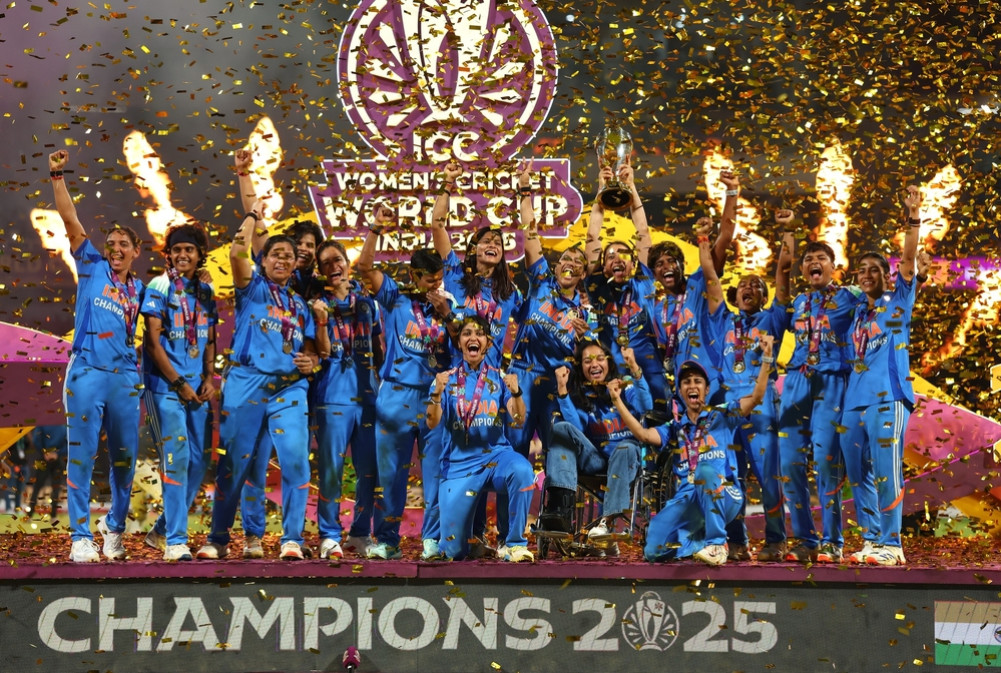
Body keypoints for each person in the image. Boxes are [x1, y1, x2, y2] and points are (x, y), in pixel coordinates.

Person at [196, 199, 318, 561]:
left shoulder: (300, 305)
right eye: (275, 254)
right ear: (263, 260)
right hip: (246, 381)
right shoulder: (251, 288)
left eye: (289, 256)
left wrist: (311, 361)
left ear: (295, 264)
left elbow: (313, 350)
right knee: (236, 464)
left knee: (296, 460)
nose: (282, 260)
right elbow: (237, 251)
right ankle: (219, 538)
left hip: (288, 387)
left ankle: (291, 539)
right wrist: (252, 214)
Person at [49, 149, 144, 563]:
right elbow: (70, 220)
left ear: (137, 250)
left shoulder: (141, 290)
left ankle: (114, 529)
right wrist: (57, 176)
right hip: (87, 370)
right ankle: (80, 537)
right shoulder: (91, 264)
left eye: (124, 244)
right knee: (82, 456)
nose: (115, 249)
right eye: (112, 244)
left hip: (125, 377)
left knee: (125, 461)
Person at [612, 337, 776, 566]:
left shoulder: (722, 414)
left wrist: (767, 358)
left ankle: (717, 544)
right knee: (653, 549)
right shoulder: (675, 427)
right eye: (686, 382)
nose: (692, 385)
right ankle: (697, 543)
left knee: (705, 471)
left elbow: (757, 397)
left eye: (698, 381)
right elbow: (643, 434)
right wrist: (617, 401)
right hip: (689, 499)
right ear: (680, 390)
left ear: (706, 389)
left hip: (725, 494)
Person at [431, 161, 524, 554]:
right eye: (486, 239)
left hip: (494, 386)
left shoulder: (509, 294)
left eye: (499, 243)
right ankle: (457, 536)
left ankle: (505, 537)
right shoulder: (455, 276)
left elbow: (530, 325)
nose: (494, 244)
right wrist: (447, 185)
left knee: (502, 459)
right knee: (455, 458)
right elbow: (438, 225)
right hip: (457, 384)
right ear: (472, 249)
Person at [356, 205, 453, 561]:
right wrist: (375, 229)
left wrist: (447, 314)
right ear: (414, 275)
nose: (435, 285)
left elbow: (464, 345)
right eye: (429, 279)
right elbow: (364, 268)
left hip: (434, 399)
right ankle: (387, 541)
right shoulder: (395, 298)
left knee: (435, 474)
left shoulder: (449, 307)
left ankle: (432, 541)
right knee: (390, 476)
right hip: (396, 395)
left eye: (439, 278)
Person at [700, 216, 795, 561]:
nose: (748, 288)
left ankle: (776, 540)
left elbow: (784, 274)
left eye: (756, 285)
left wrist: (788, 231)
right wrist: (704, 239)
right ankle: (737, 542)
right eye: (743, 285)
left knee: (769, 477)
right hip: (727, 408)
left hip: (762, 405)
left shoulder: (772, 319)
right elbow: (710, 278)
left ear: (765, 296)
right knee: (731, 478)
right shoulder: (724, 319)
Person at [841, 186, 921, 566]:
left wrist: (913, 218)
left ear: (888, 276)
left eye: (875, 269)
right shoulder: (856, 314)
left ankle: (892, 543)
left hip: (888, 398)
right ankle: (872, 540)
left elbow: (909, 259)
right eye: (862, 270)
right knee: (858, 475)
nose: (868, 274)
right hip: (852, 403)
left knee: (887, 471)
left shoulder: (898, 301)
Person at [777, 236, 865, 563]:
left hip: (832, 381)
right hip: (797, 380)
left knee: (827, 462)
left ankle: (833, 541)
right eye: (808, 259)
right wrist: (788, 237)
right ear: (803, 269)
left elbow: (882, 298)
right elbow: (780, 286)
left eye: (821, 258)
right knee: (789, 464)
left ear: (833, 266)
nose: (814, 262)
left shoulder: (850, 296)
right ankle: (806, 540)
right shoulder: (798, 302)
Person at [426, 316, 535, 562]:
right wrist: (436, 394)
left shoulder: (499, 377)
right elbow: (432, 422)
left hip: (496, 458)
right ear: (459, 342)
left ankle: (514, 545)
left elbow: (519, 420)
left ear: (487, 343)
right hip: (459, 466)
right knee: (454, 552)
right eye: (466, 333)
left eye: (479, 334)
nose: (473, 338)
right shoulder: (445, 379)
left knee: (522, 470)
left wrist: (517, 393)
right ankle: (469, 543)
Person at [140, 222, 218, 561]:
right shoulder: (159, 286)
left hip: (197, 389)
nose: (182, 254)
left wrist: (210, 377)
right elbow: (152, 344)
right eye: (176, 250)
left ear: (199, 254)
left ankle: (160, 531)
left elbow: (210, 339)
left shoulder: (205, 292)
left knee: (200, 461)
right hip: (165, 388)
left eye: (189, 249)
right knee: (178, 458)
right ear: (168, 254)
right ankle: (176, 541)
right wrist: (179, 383)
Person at [507, 160, 594, 460]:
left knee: (559, 455)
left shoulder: (585, 313)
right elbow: (530, 234)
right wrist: (524, 190)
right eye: (566, 259)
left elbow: (587, 359)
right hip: (521, 375)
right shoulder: (542, 280)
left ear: (583, 275)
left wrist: (582, 341)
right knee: (514, 451)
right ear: (555, 266)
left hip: (555, 385)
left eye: (578, 263)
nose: (570, 263)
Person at [309, 237, 385, 560]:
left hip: (367, 397)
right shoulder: (316, 306)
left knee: (370, 470)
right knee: (331, 469)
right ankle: (328, 534)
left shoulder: (369, 305)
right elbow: (321, 351)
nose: (333, 266)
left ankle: (359, 532)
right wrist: (321, 320)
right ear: (320, 271)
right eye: (325, 263)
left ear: (347, 263)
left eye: (337, 259)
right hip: (332, 397)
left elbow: (379, 350)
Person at [538, 340, 652, 552]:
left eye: (600, 358)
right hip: (596, 461)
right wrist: (562, 391)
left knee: (625, 448)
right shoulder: (581, 394)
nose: (594, 364)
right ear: (581, 367)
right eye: (587, 361)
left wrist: (634, 369)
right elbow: (576, 430)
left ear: (609, 362)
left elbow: (647, 406)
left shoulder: (624, 385)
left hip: (626, 459)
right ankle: (559, 510)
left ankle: (606, 523)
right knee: (561, 428)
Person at [646, 172, 738, 405]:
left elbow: (726, 236)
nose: (666, 266)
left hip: (716, 382)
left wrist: (732, 192)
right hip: (685, 392)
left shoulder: (700, 281)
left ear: (682, 265)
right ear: (655, 274)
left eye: (671, 261)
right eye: (659, 264)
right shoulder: (658, 311)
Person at [25, 424, 68, 521]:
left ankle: (29, 515)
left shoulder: (43, 423)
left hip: (44, 459)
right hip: (57, 460)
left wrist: (44, 452)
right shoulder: (63, 426)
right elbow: (68, 443)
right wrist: (57, 453)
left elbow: (36, 440)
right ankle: (53, 516)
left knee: (37, 487)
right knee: (56, 488)